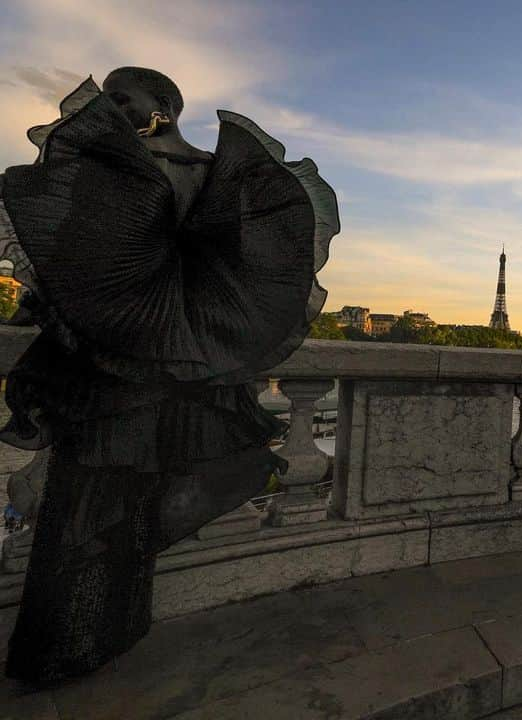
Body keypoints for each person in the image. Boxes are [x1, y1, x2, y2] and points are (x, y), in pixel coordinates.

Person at [0, 67, 338, 686]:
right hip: (179, 367)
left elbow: (72, 262)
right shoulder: (220, 176)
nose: (110, 109)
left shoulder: (111, 173)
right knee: (116, 510)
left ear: (164, 106)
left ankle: (66, 647)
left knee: (84, 511)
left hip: (115, 370)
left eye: (122, 99)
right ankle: (101, 632)